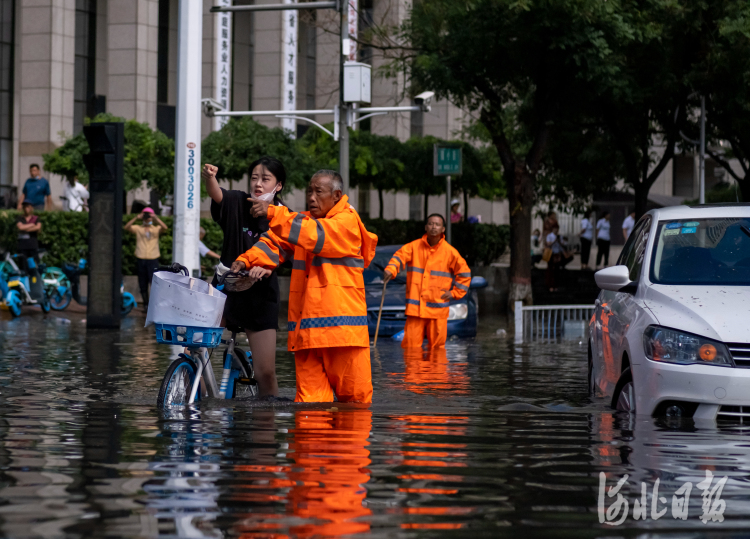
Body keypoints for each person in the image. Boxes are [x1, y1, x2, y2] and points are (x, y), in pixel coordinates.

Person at [230, 170, 378, 404]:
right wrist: (246, 260)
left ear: (337, 196)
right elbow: (275, 243)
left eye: (318, 192)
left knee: (354, 406)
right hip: (309, 336)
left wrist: (273, 212)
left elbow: (314, 235)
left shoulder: (347, 222)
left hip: (342, 336)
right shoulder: (303, 223)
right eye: (309, 191)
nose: (311, 197)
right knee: (310, 409)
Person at [202, 157, 286, 398]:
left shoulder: (283, 216)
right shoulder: (237, 201)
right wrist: (210, 178)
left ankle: (265, 426)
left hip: (260, 297)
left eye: (265, 179)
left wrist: (268, 267)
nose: (258, 184)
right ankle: (196, 406)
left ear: (278, 185)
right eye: (254, 178)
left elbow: (285, 249)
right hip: (225, 289)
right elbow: (217, 193)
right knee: (195, 351)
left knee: (266, 372)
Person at [383, 213, 471, 349]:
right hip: (416, 312)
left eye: (437, 224)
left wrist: (455, 293)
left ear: (443, 229)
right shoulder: (413, 247)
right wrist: (390, 269)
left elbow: (464, 273)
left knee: (437, 351)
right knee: (410, 348)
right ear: (425, 227)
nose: (433, 227)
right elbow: (399, 257)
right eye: (431, 224)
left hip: (437, 311)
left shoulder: (450, 252)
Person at [124, 207, 167, 306]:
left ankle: (154, 304)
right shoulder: (138, 228)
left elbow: (165, 228)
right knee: (142, 282)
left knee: (154, 283)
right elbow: (127, 227)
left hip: (153, 258)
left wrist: (155, 218)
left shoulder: (155, 229)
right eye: (146, 215)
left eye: (149, 215)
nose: (147, 217)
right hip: (141, 257)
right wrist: (136, 218)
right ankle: (145, 304)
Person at [545, 224, 563, 291]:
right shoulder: (549, 236)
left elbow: (561, 245)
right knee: (550, 270)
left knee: (557, 271)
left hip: (557, 254)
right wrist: (554, 241)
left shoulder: (559, 237)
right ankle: (550, 286)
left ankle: (555, 286)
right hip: (551, 254)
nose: (556, 230)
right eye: (555, 228)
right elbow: (548, 244)